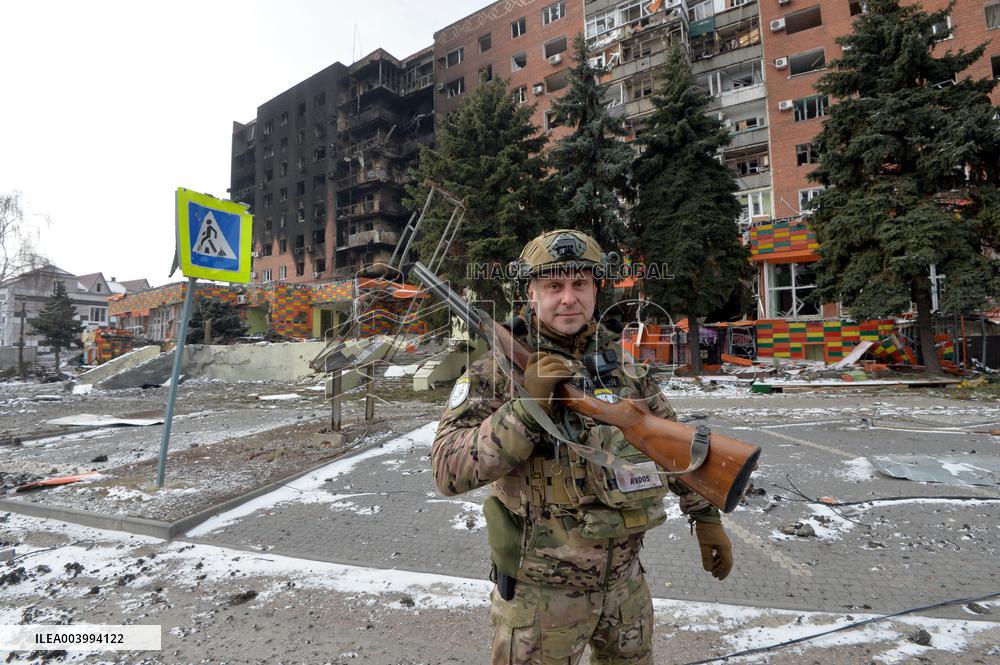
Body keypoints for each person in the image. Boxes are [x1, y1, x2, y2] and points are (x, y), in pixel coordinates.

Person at [431, 230, 734, 664]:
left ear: (596, 290)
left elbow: (671, 444)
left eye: (580, 284)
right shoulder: (493, 372)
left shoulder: (623, 367)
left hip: (626, 589)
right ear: (531, 294)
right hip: (540, 600)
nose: (568, 298)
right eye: (554, 286)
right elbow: (447, 470)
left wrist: (705, 516)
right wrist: (524, 410)